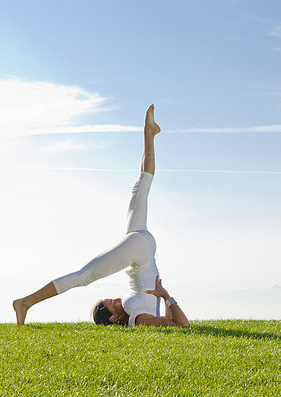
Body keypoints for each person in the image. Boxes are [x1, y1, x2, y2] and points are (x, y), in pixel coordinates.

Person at [13, 105, 190, 328]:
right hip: (141, 249)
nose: (116, 299)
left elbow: (171, 323)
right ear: (114, 318)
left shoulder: (137, 317)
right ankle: (25, 303)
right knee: (84, 276)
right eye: (112, 304)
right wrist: (165, 296)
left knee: (141, 186)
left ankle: (149, 134)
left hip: (142, 249)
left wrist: (165, 297)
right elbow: (180, 326)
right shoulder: (139, 320)